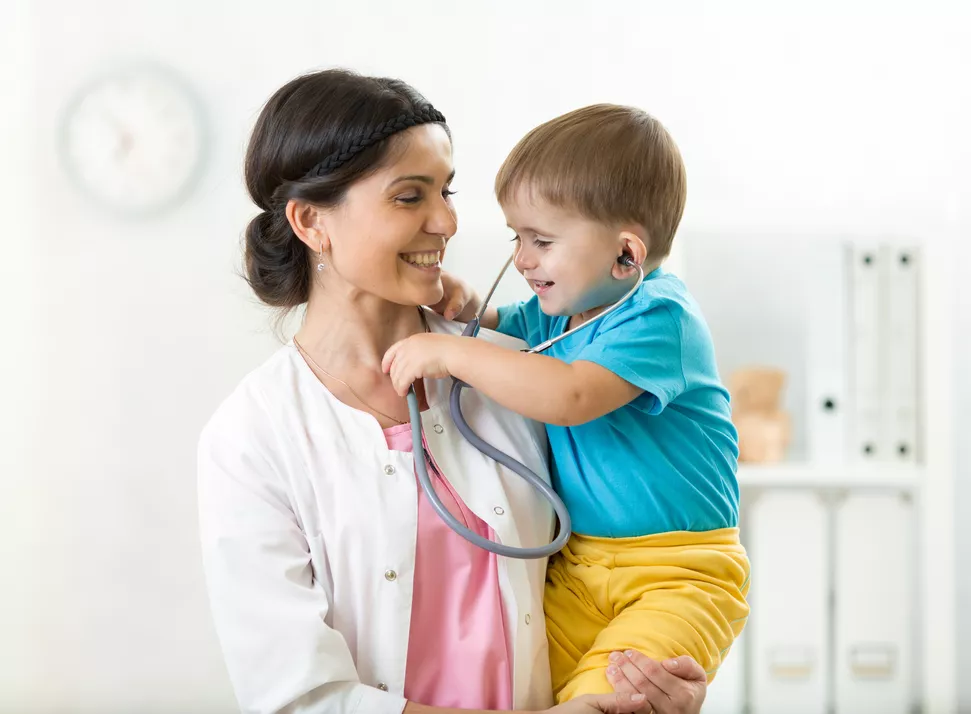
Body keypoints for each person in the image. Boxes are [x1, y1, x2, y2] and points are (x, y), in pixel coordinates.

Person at [198, 69, 709, 714]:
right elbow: (298, 698)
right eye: (410, 197)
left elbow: (615, 570)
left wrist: (650, 683)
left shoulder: (519, 371)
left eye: (447, 191)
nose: (448, 221)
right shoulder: (253, 436)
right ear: (311, 221)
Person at [383, 104, 750, 702]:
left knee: (604, 698)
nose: (523, 258)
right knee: (521, 688)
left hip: (677, 573)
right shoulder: (565, 312)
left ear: (626, 256)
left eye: (542, 241)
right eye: (516, 238)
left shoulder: (659, 316)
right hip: (579, 568)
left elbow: (571, 394)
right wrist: (470, 303)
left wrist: (449, 355)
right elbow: (507, 330)